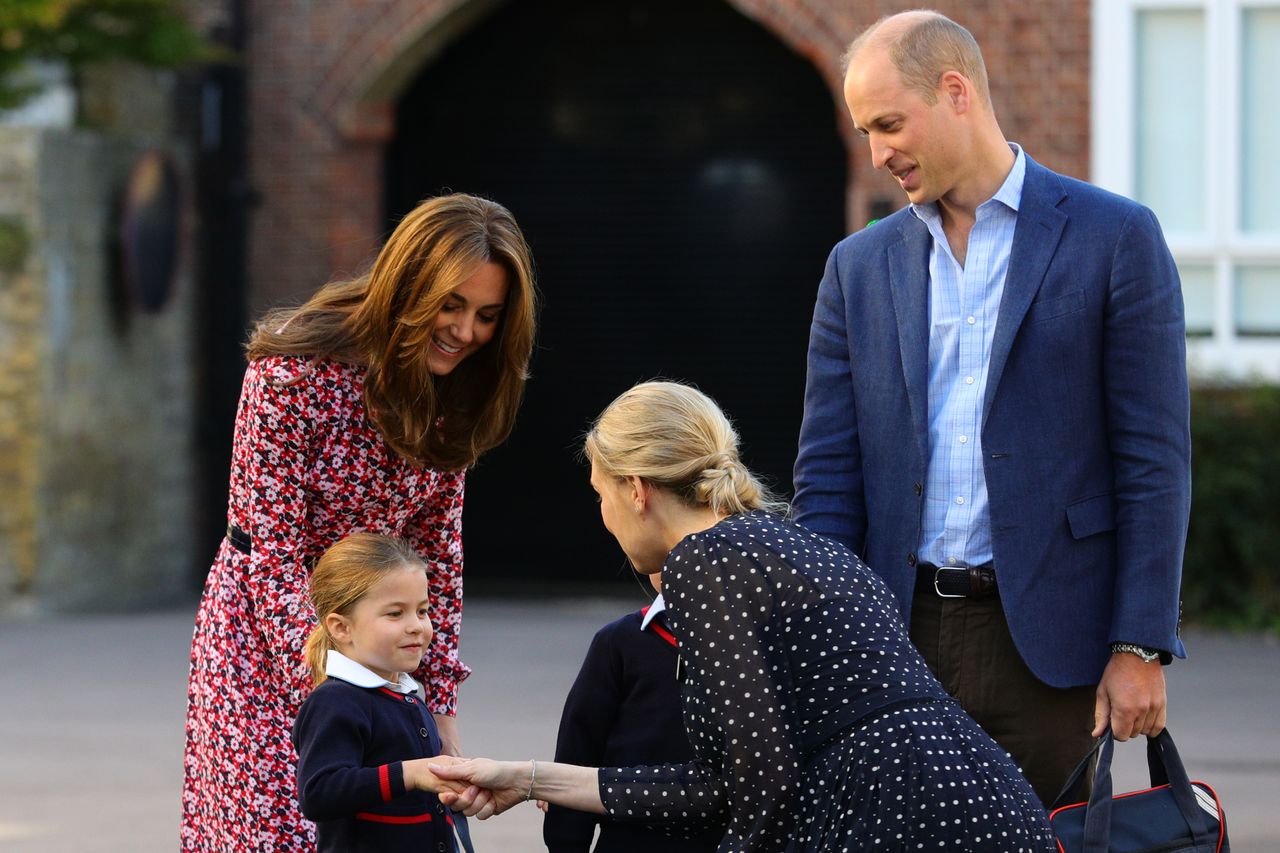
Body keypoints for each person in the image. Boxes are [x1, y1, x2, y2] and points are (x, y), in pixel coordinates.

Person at [791, 11, 1191, 806]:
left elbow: (1154, 459)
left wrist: (1140, 643)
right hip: (897, 641)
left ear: (956, 91)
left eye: (889, 124)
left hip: (1054, 645)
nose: (877, 154)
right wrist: (826, 642)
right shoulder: (857, 268)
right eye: (865, 131)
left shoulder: (1115, 237)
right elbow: (828, 479)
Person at [432, 381, 1054, 851]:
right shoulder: (798, 545)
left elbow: (763, 787)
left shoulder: (702, 561)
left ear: (636, 489)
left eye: (600, 495)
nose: (603, 516)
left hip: (897, 820)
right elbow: (724, 785)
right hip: (987, 802)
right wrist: (530, 778)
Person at [180, 193, 538, 851]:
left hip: (381, 641)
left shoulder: (457, 388)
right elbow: (271, 548)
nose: (465, 331)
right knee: (269, 832)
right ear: (408, 285)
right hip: (267, 635)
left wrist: (437, 705)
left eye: (487, 316)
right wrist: (340, 692)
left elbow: (438, 557)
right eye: (451, 305)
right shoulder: (294, 369)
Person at [292, 533, 467, 852]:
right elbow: (319, 792)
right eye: (395, 614)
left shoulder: (406, 694)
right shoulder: (336, 701)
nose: (416, 625)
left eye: (423, 611)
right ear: (341, 627)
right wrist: (411, 774)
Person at [544, 571, 719, 853]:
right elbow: (578, 749)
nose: (677, 560)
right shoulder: (618, 641)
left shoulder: (760, 643)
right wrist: (566, 840)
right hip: (629, 837)